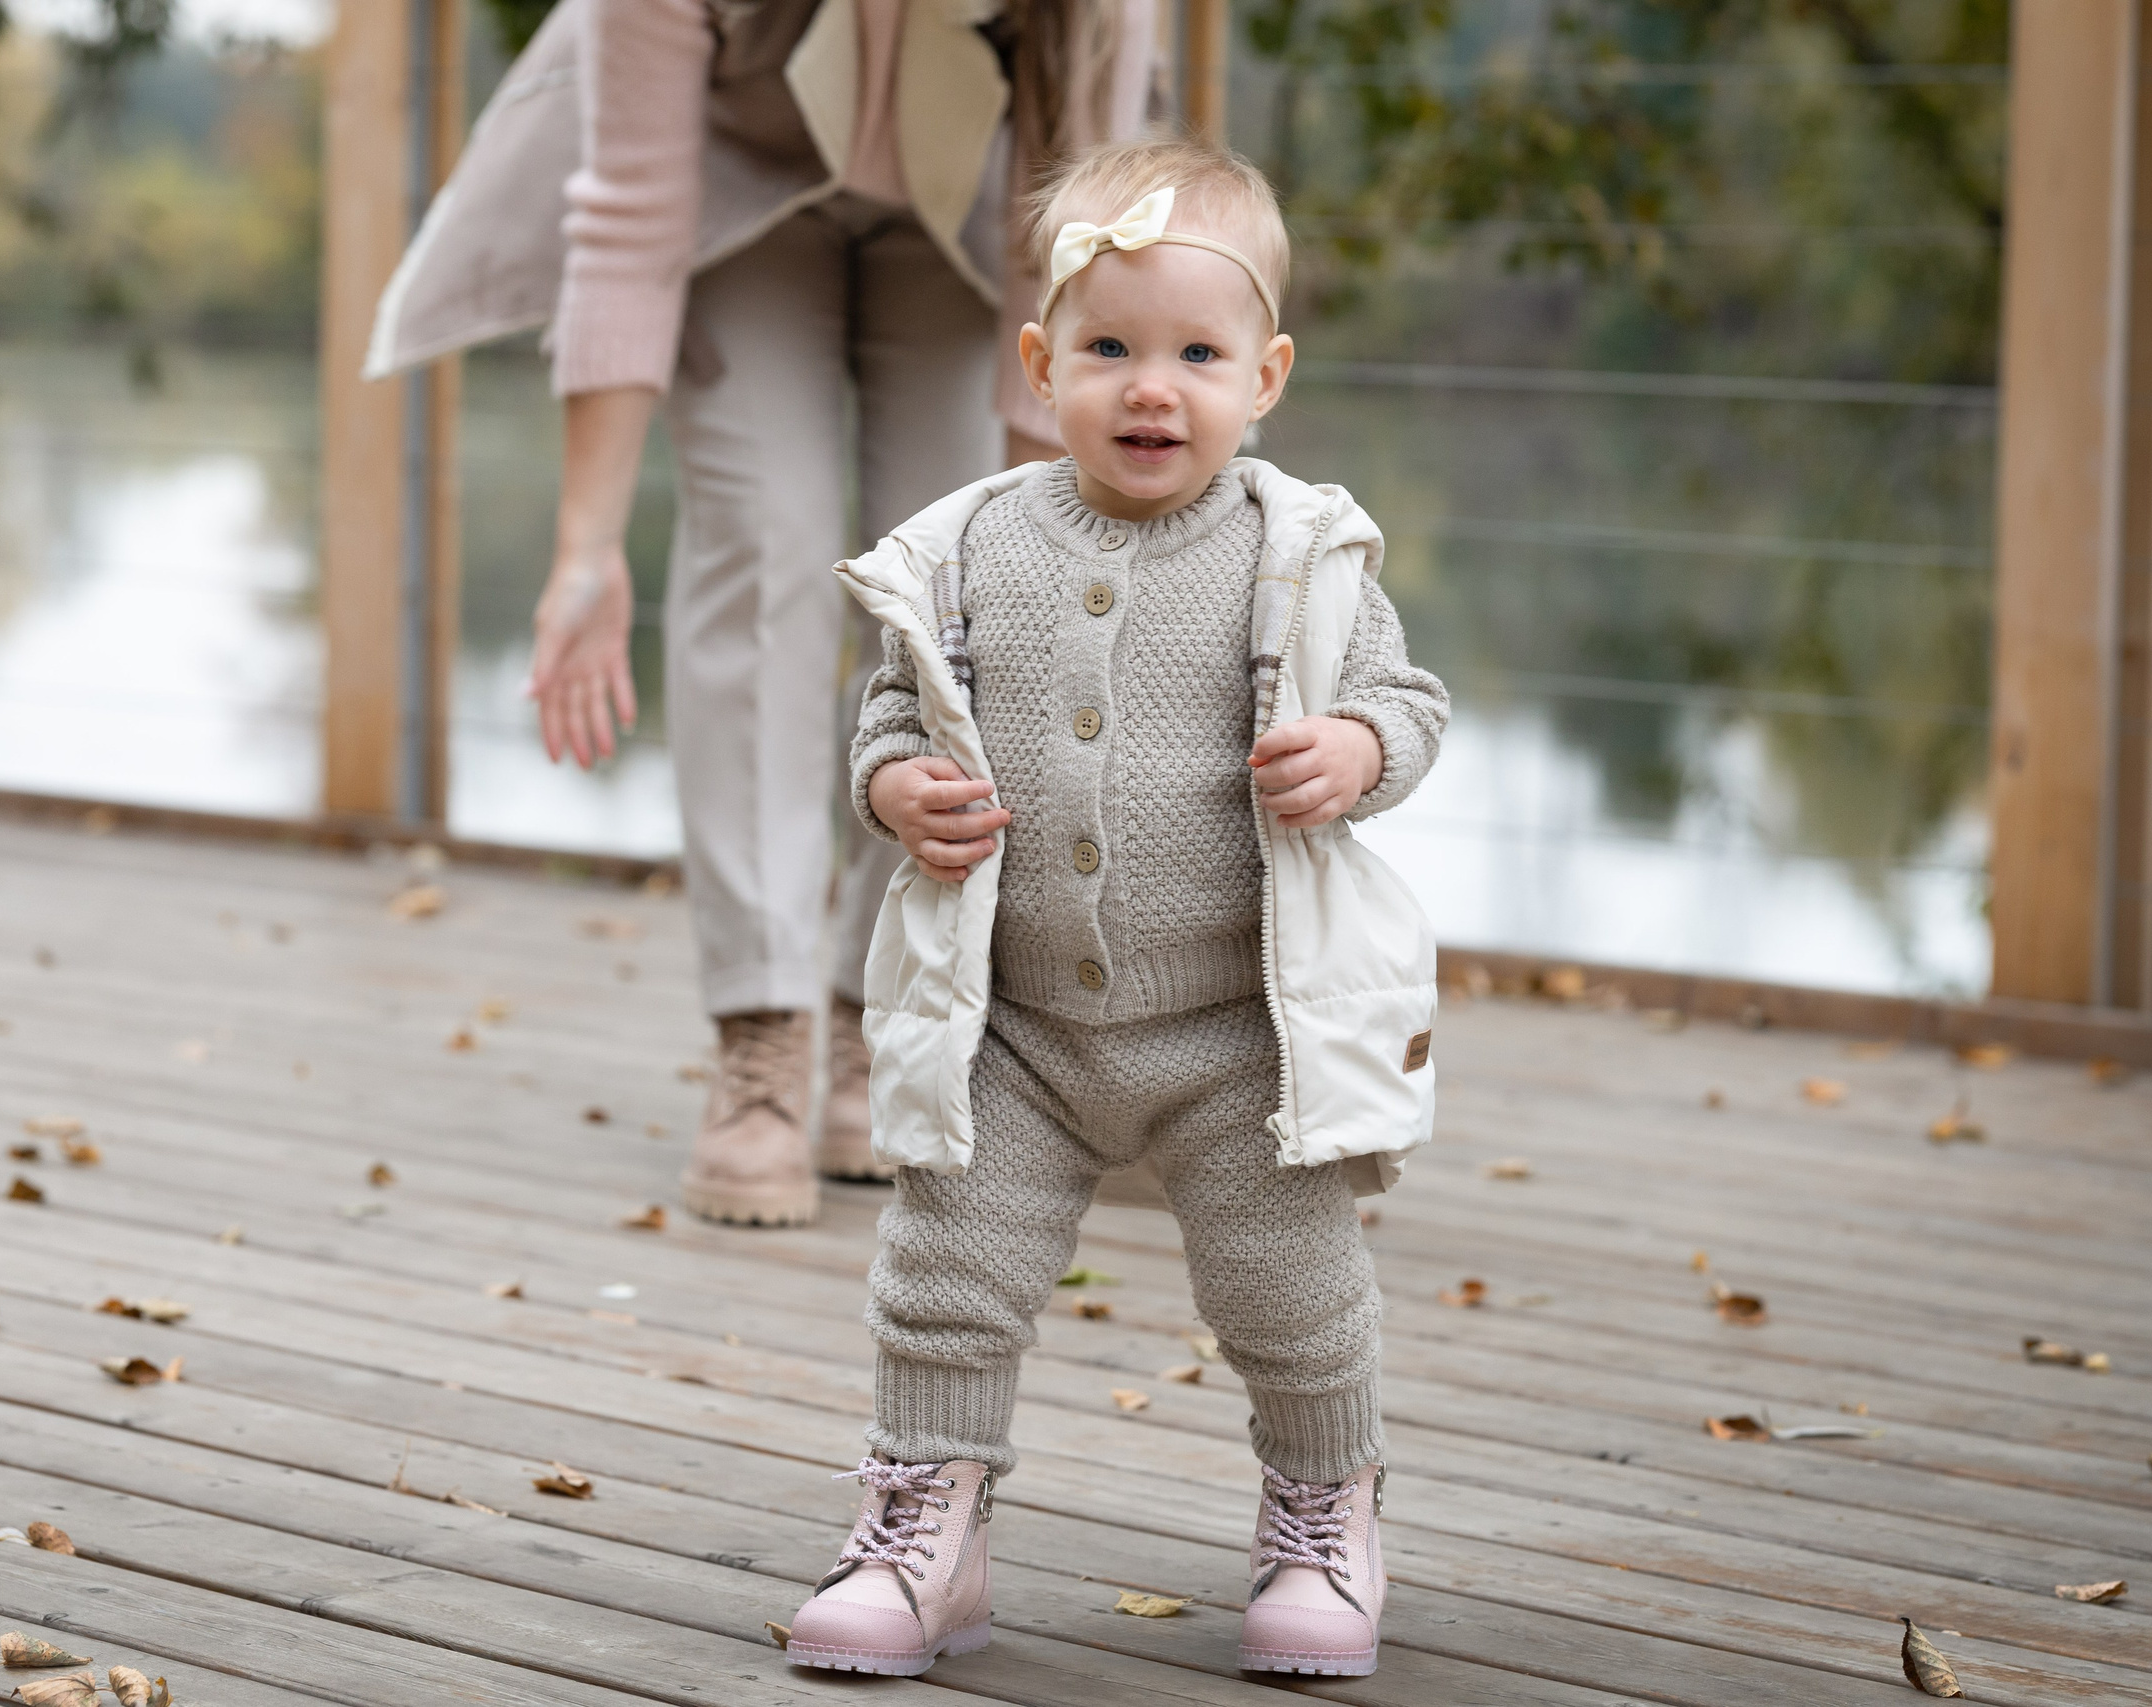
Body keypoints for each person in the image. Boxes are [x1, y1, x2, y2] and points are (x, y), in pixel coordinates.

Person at [779, 137, 1449, 1679]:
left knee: (1294, 1289)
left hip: (1236, 1026)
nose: (1154, 388)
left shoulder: (1303, 552)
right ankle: (926, 1533)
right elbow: (887, 719)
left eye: (1198, 354)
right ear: (1040, 363)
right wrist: (896, 793)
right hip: (1015, 1020)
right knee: (946, 1276)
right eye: (1109, 349)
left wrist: (1355, 748)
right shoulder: (968, 551)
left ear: (1266, 373)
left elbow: (1408, 703)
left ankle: (1322, 1518)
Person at [370, 0, 1162, 1227]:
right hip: (738, 193)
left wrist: (1038, 554)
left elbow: (1070, 244)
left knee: (952, 596)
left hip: (968, 213)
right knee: (765, 544)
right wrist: (586, 550)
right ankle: (760, 1034)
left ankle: (863, 1021)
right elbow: (631, 226)